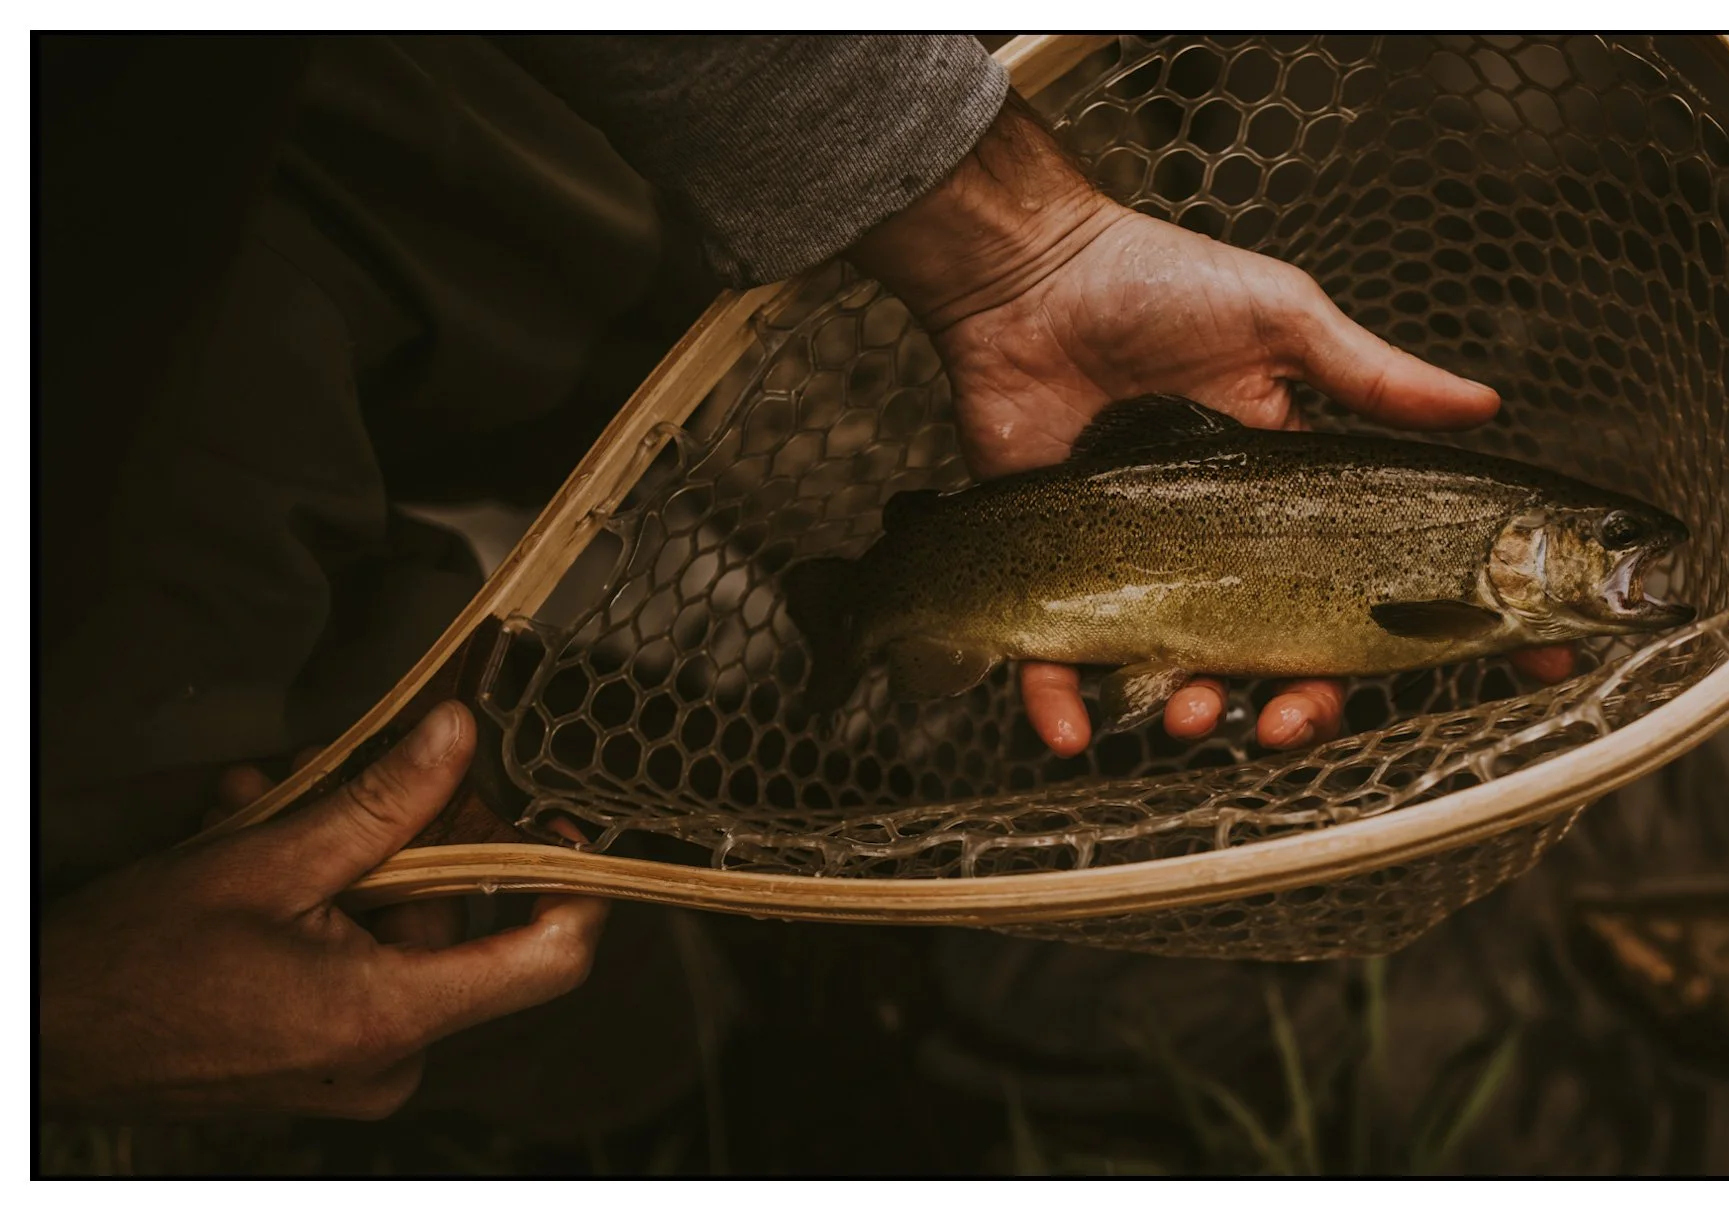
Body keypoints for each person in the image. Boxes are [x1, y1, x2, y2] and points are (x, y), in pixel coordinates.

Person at [37, 35, 1550, 1121]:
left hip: (203, 123)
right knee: (420, 904)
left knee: (617, 296)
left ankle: (723, 659)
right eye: (1607, 562)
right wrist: (49, 1026)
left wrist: (1007, 239)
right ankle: (714, 1083)